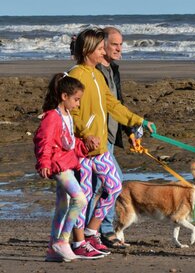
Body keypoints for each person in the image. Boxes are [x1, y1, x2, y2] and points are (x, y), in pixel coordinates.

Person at [68, 27, 157, 258]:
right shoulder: (76, 75)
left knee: (114, 185)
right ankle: (78, 243)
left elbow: (112, 105)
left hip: (100, 147)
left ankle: (91, 232)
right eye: (99, 48)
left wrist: (138, 121)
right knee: (83, 196)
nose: (103, 52)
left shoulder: (97, 75)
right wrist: (85, 133)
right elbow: (72, 111)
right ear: (88, 50)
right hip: (83, 149)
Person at [33, 73, 89, 262]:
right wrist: (44, 162)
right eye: (76, 100)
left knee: (62, 208)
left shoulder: (67, 116)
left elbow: (69, 143)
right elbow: (44, 140)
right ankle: (63, 241)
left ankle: (52, 250)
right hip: (59, 166)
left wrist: (85, 147)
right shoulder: (52, 117)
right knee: (80, 199)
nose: (78, 104)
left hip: (67, 163)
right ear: (64, 96)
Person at [88, 27, 131, 248]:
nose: (119, 48)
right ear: (102, 45)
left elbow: (117, 103)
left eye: (121, 44)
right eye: (115, 44)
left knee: (103, 185)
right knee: (108, 183)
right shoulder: (93, 72)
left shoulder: (113, 68)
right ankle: (96, 231)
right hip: (97, 136)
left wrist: (131, 130)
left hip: (111, 135)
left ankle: (95, 231)